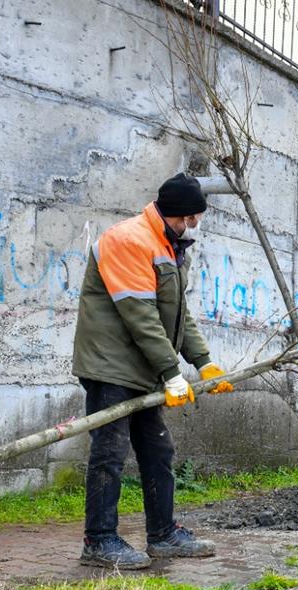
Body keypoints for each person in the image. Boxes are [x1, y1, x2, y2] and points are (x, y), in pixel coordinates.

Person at [72, 173, 234, 569]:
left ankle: (163, 535)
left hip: (140, 367)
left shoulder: (167, 245)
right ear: (175, 212)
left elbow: (178, 316)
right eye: (191, 218)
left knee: (158, 450)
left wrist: (203, 362)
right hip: (110, 366)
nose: (193, 225)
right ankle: (99, 540)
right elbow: (140, 315)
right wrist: (171, 373)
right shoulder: (128, 239)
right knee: (109, 452)